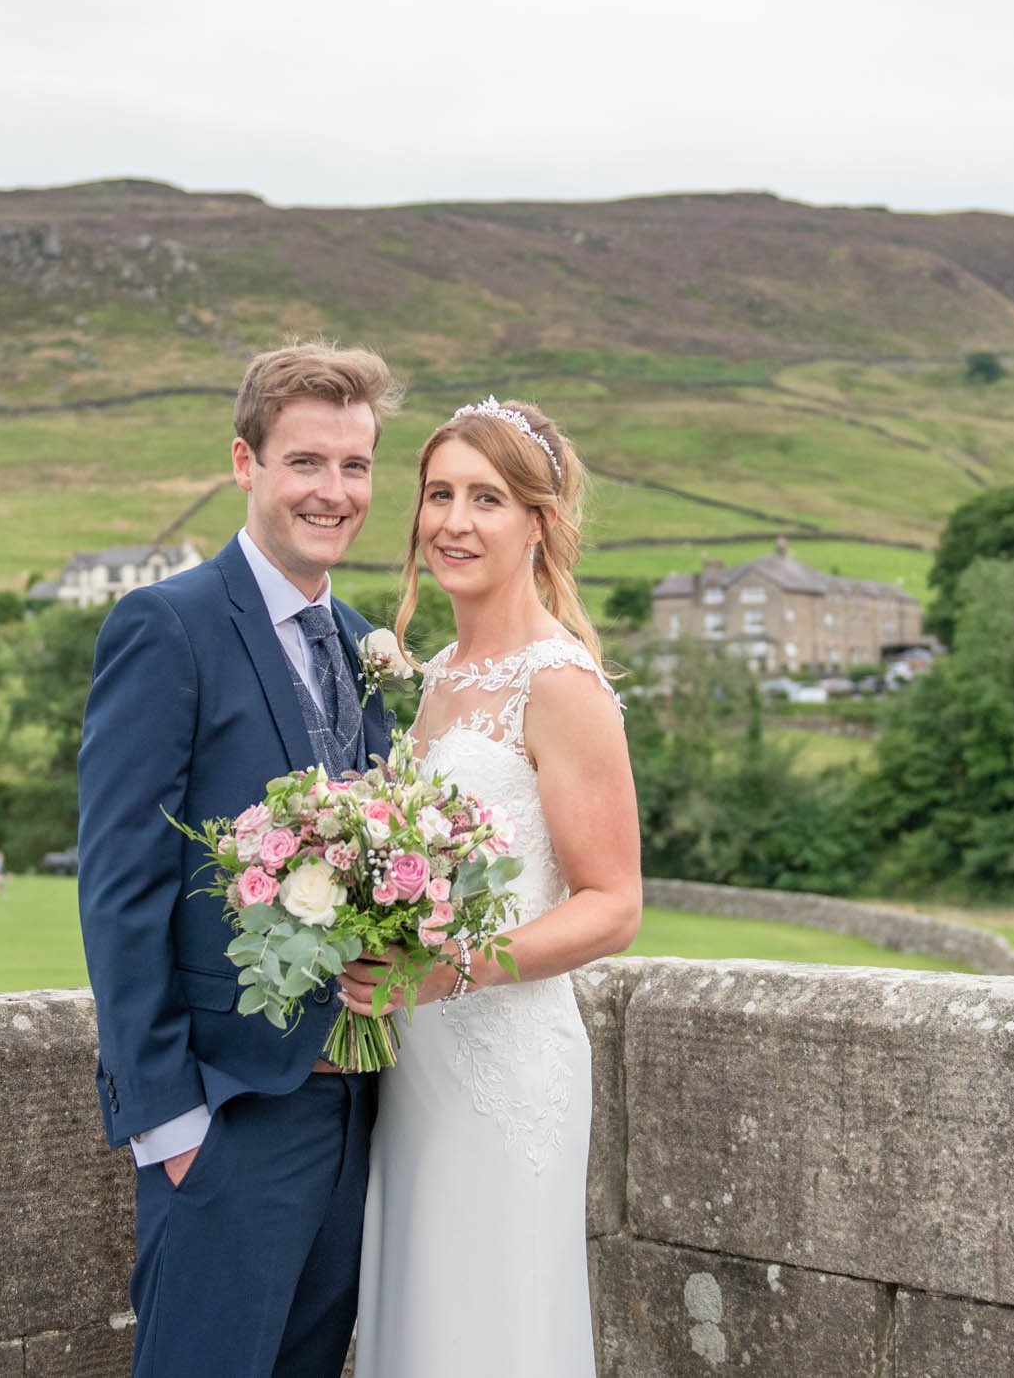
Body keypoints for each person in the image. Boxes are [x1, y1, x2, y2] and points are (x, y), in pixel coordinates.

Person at [77, 341, 404, 1378]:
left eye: (355, 466)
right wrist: (172, 1127)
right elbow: (121, 885)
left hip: (352, 1116)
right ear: (245, 462)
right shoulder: (166, 626)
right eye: (307, 462)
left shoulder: (361, 642)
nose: (334, 491)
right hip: (225, 1119)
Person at [342, 397, 641, 1377]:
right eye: (439, 495)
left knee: (491, 1330)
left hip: (507, 1062)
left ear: (538, 523)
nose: (454, 522)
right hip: (415, 1063)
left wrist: (453, 971)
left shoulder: (561, 684)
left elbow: (613, 905)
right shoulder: (437, 678)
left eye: (488, 499)